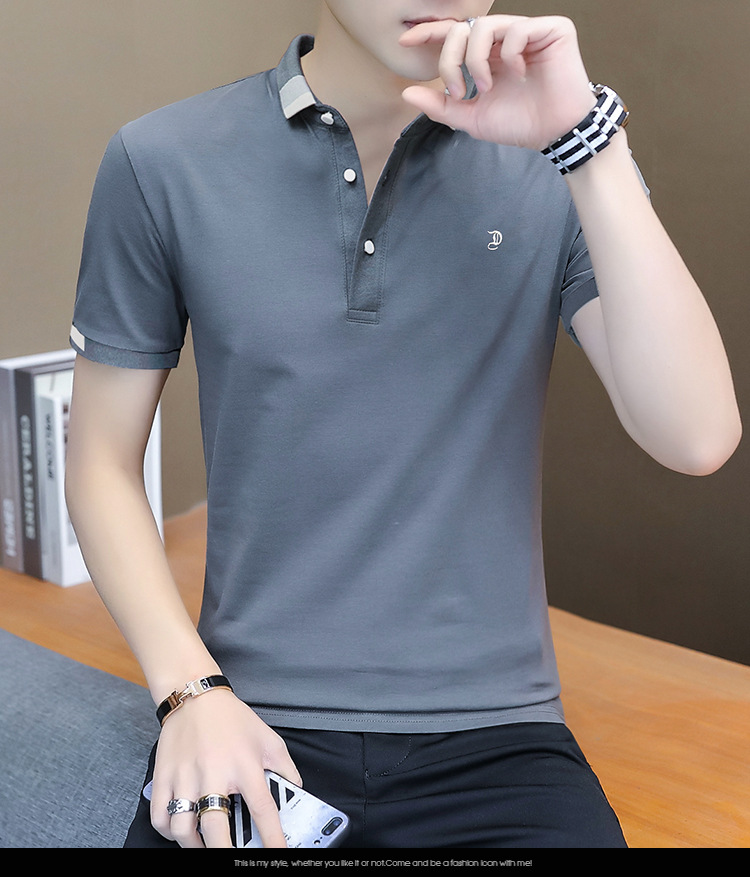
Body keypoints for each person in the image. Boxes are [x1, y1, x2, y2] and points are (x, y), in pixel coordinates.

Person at [65, 2, 741, 849]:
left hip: (501, 740)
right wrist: (189, 693)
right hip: (251, 719)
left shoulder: (559, 161)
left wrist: (588, 146)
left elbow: (695, 436)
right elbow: (100, 462)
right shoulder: (161, 158)